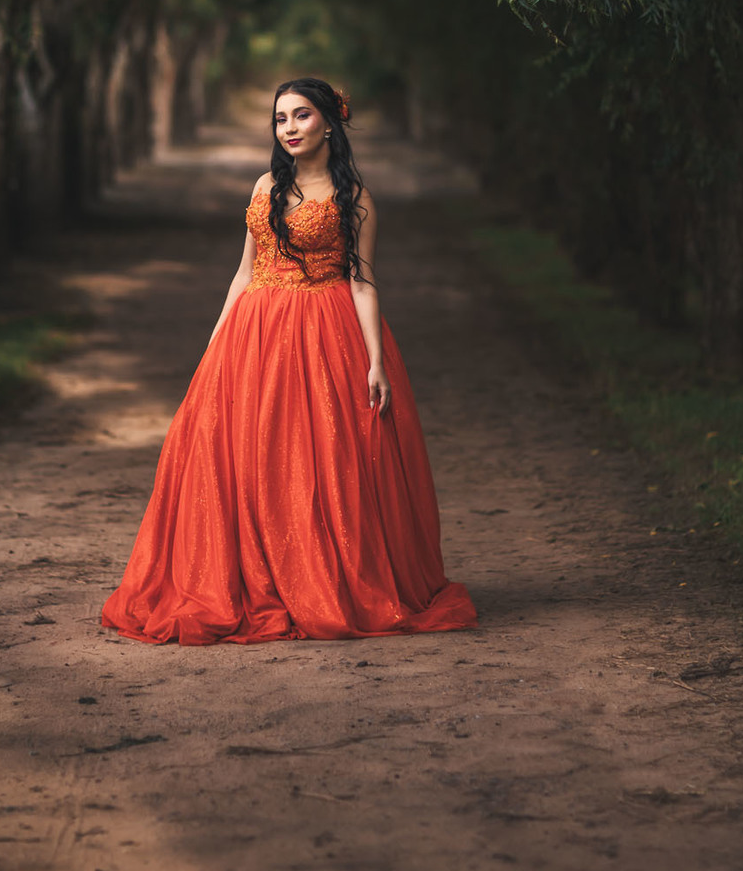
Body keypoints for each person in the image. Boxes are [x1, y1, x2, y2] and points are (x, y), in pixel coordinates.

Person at [101, 76, 476, 644]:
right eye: (281, 119)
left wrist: (376, 361)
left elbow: (363, 282)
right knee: (229, 449)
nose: (290, 129)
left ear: (329, 121)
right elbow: (245, 272)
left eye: (301, 116)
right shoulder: (266, 185)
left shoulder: (353, 198)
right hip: (253, 329)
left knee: (316, 456)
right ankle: (249, 576)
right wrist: (217, 339)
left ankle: (316, 576)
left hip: (323, 329)